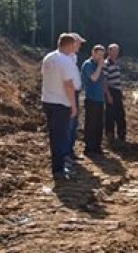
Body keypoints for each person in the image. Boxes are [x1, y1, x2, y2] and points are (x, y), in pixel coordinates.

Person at [41, 33, 81, 180]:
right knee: (61, 137)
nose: (75, 48)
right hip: (61, 102)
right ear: (69, 45)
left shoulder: (48, 58)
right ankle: (59, 169)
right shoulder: (65, 61)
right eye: (74, 45)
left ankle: (57, 166)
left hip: (48, 100)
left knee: (54, 136)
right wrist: (73, 105)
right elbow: (68, 84)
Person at [80, 44, 107, 156]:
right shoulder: (88, 65)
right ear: (93, 53)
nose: (100, 57)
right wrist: (100, 66)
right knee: (91, 124)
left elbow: (103, 80)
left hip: (100, 99)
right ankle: (89, 147)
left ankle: (97, 146)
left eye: (102, 55)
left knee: (99, 124)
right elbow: (94, 78)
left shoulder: (98, 65)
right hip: (91, 98)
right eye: (98, 54)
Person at [65, 32, 86, 166]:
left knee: (73, 125)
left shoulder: (74, 58)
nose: (80, 45)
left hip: (75, 93)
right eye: (78, 43)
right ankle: (66, 154)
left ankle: (70, 151)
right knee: (69, 125)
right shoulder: (66, 58)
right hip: (68, 95)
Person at [104, 43, 127, 147]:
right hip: (111, 91)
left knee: (120, 114)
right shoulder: (106, 64)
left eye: (117, 51)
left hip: (117, 91)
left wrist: (121, 92)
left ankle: (121, 136)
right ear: (109, 52)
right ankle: (110, 137)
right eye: (113, 51)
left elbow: (117, 79)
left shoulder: (116, 63)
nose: (115, 53)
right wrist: (108, 95)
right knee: (110, 115)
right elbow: (104, 81)